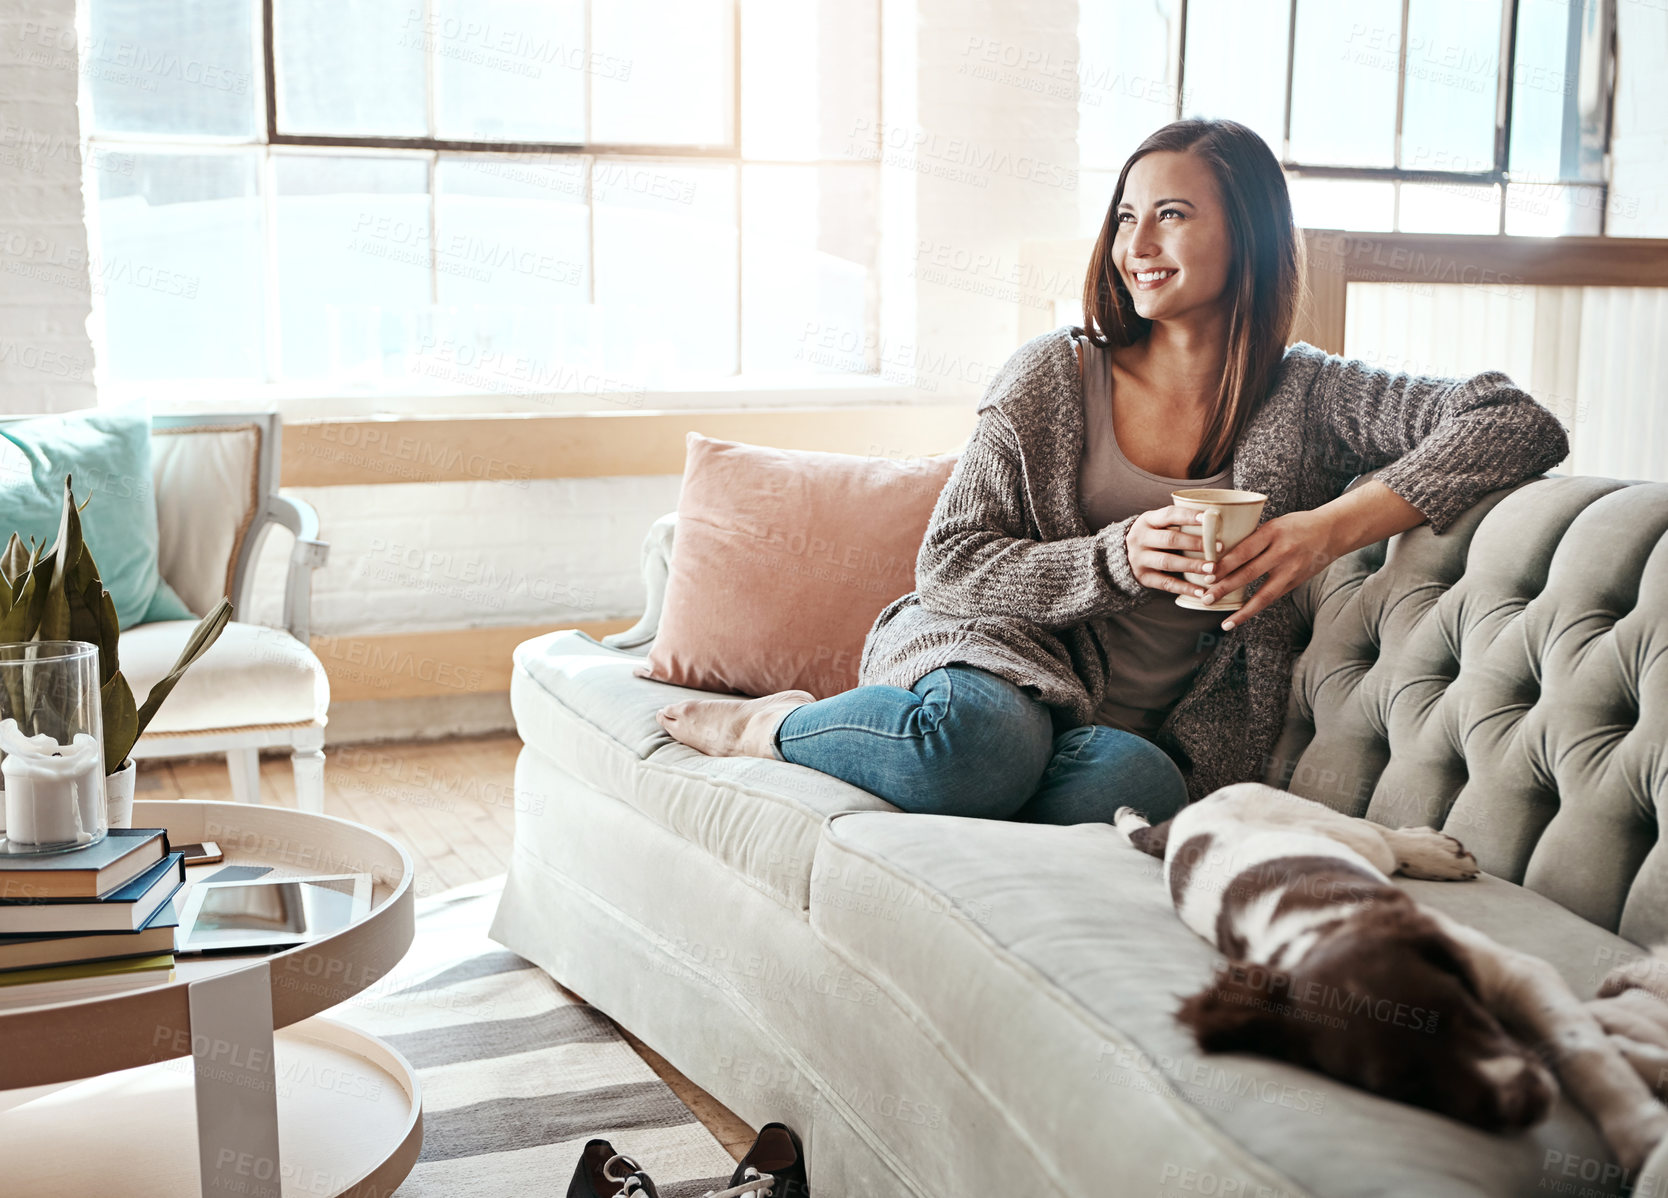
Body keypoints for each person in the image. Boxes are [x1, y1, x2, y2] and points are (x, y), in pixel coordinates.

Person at [654, 118, 1570, 828]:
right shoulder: (1054, 374)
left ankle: (935, 775)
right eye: (1128, 216)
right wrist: (1119, 555)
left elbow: (1512, 421)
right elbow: (950, 566)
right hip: (995, 657)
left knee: (1142, 789)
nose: (1139, 242)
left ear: (1245, 232)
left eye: (1172, 214)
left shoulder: (1311, 394)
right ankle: (766, 727)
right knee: (977, 746)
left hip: (1114, 733)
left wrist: (1321, 530)